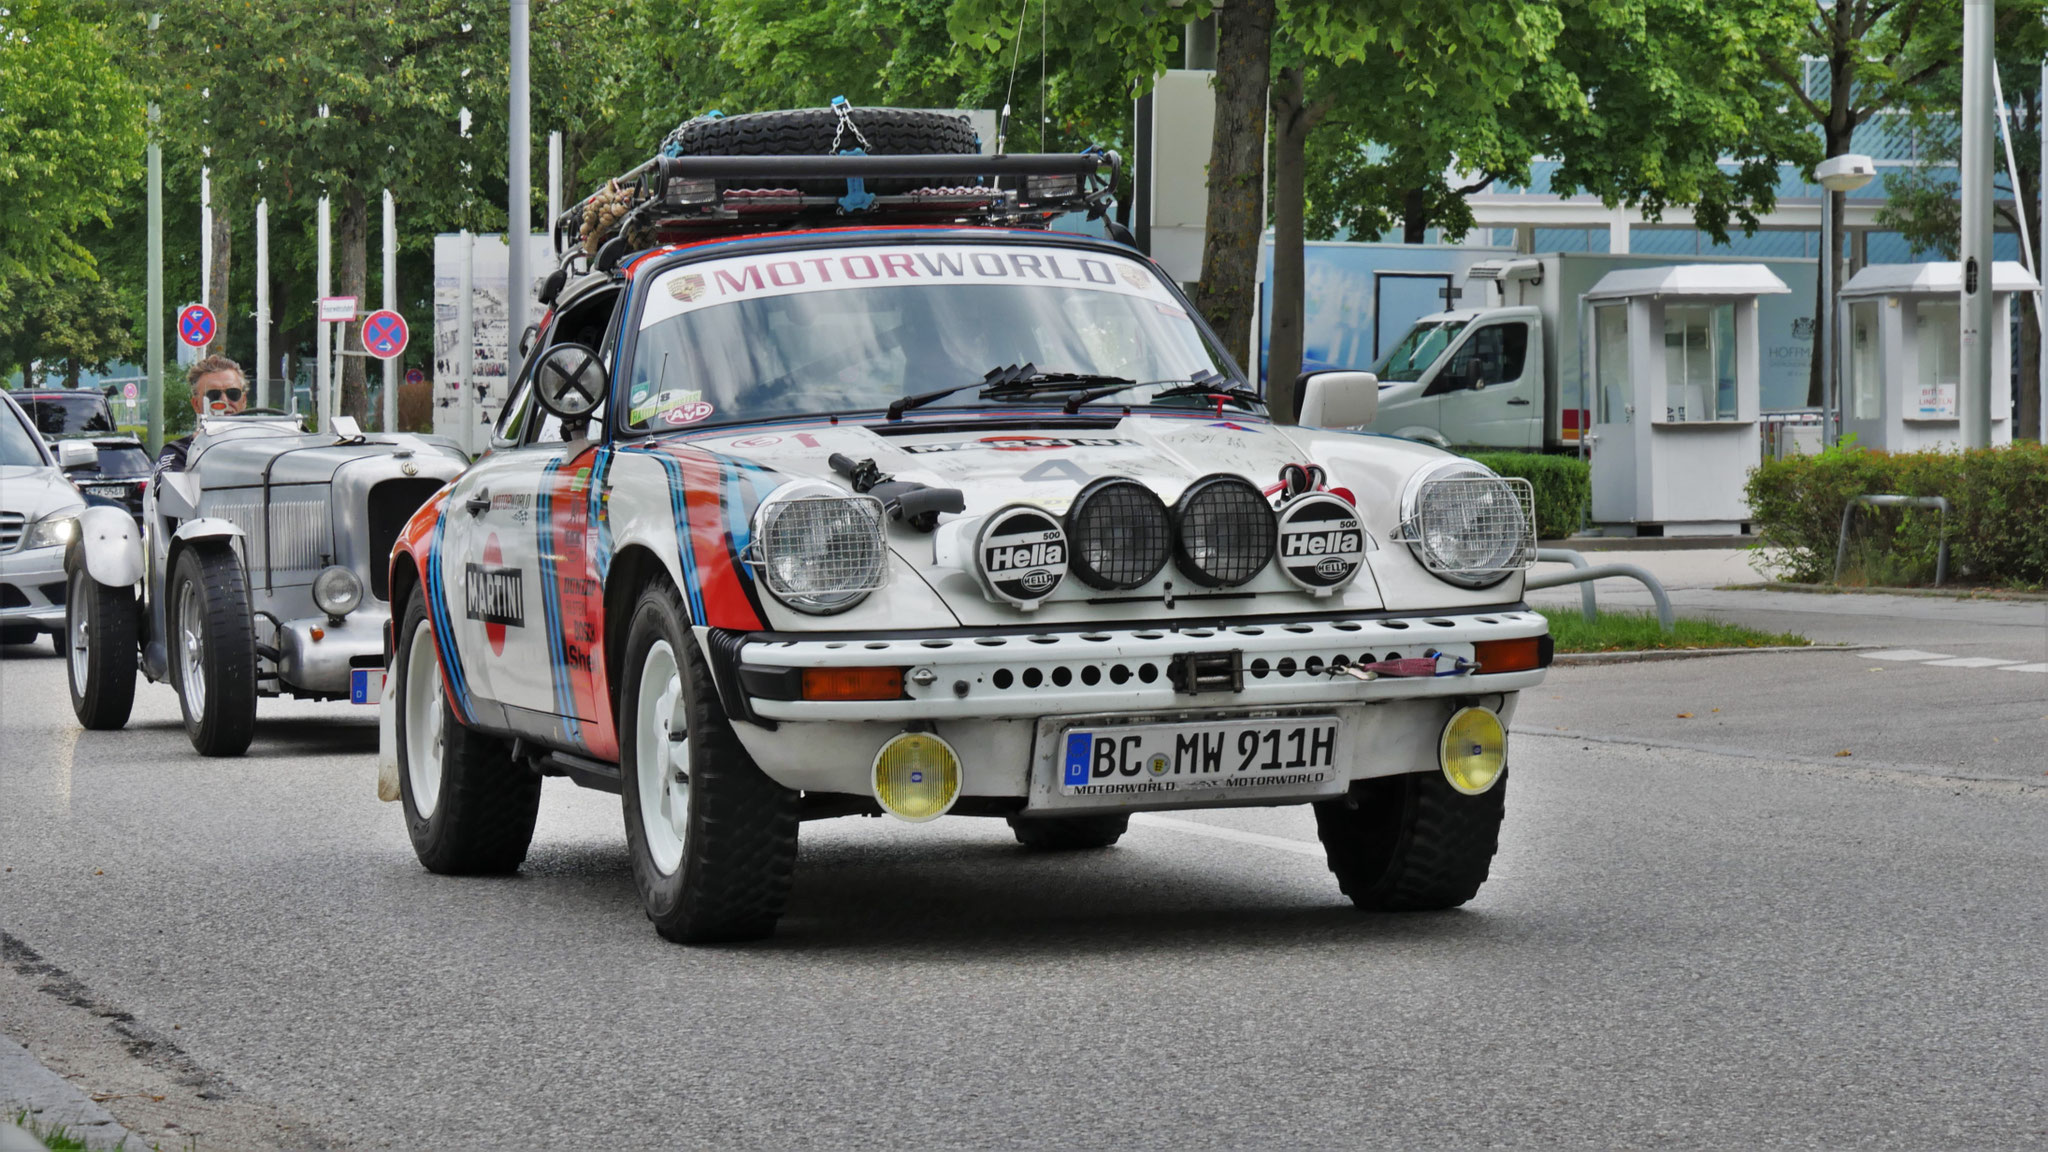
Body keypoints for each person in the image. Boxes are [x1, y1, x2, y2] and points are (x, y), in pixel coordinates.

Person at [155, 355, 249, 473]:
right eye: (213, 395)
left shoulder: (264, 444)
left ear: (244, 400)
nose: (224, 401)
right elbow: (170, 489)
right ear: (196, 404)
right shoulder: (178, 452)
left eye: (233, 393)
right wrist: (200, 451)